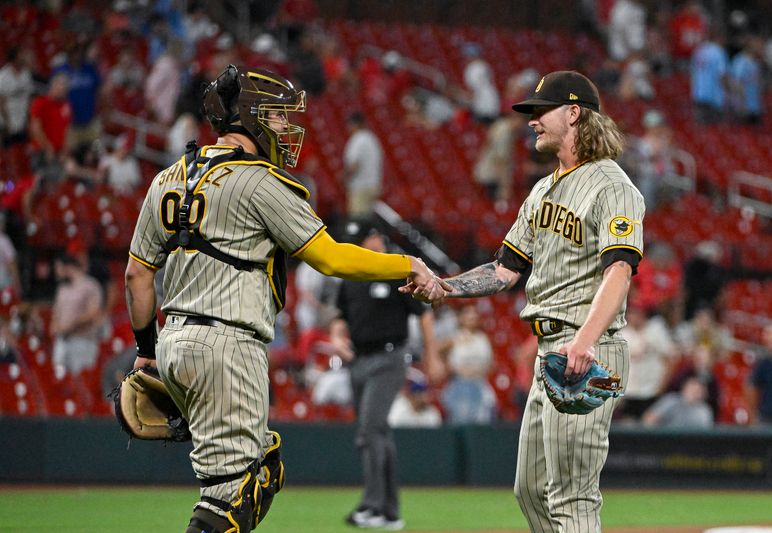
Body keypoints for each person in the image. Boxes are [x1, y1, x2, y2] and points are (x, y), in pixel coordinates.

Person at [124, 65, 448, 533]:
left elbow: (137, 275)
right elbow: (332, 259)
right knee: (232, 498)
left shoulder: (166, 179)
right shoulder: (261, 182)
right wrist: (408, 264)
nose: (285, 126)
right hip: (228, 345)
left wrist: (145, 351)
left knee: (254, 475)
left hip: (174, 339)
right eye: (276, 117)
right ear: (251, 118)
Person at [405, 70, 645, 533]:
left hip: (585, 349)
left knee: (572, 496)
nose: (531, 121)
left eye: (541, 112)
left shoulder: (613, 186)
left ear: (574, 113)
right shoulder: (541, 189)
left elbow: (620, 270)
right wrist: (445, 286)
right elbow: (505, 270)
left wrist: (585, 343)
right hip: (549, 352)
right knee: (531, 490)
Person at [329, 218, 444, 530]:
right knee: (376, 433)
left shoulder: (395, 272)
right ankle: (389, 511)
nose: (358, 247)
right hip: (359, 360)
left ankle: (373, 505)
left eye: (362, 240)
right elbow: (340, 318)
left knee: (371, 428)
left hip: (390, 358)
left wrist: (431, 356)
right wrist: (338, 337)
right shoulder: (349, 278)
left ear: (376, 240)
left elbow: (423, 315)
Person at [439, 303, 497, 425]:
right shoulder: (454, 337)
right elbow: (436, 353)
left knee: (482, 426)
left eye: (474, 312)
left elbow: (491, 363)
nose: (472, 316)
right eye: (468, 313)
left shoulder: (483, 338)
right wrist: (449, 367)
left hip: (480, 386)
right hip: (460, 388)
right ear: (460, 317)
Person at [50, 253, 105, 375]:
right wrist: (55, 325)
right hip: (62, 340)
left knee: (80, 380)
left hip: (82, 341)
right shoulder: (62, 288)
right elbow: (56, 312)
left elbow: (93, 313)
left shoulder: (90, 285)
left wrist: (71, 325)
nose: (56, 272)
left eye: (58, 267)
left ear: (68, 267)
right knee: (58, 379)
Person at [341, 112, 383, 218]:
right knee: (368, 219)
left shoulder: (357, 140)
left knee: (357, 220)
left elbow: (354, 165)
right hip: (373, 184)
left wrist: (344, 178)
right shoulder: (372, 138)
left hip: (360, 187)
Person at [641, 375, 714, 428]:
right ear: (684, 389)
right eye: (692, 389)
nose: (694, 392)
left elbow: (706, 431)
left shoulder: (704, 410)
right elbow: (649, 419)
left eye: (698, 390)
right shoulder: (671, 400)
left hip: (690, 444)